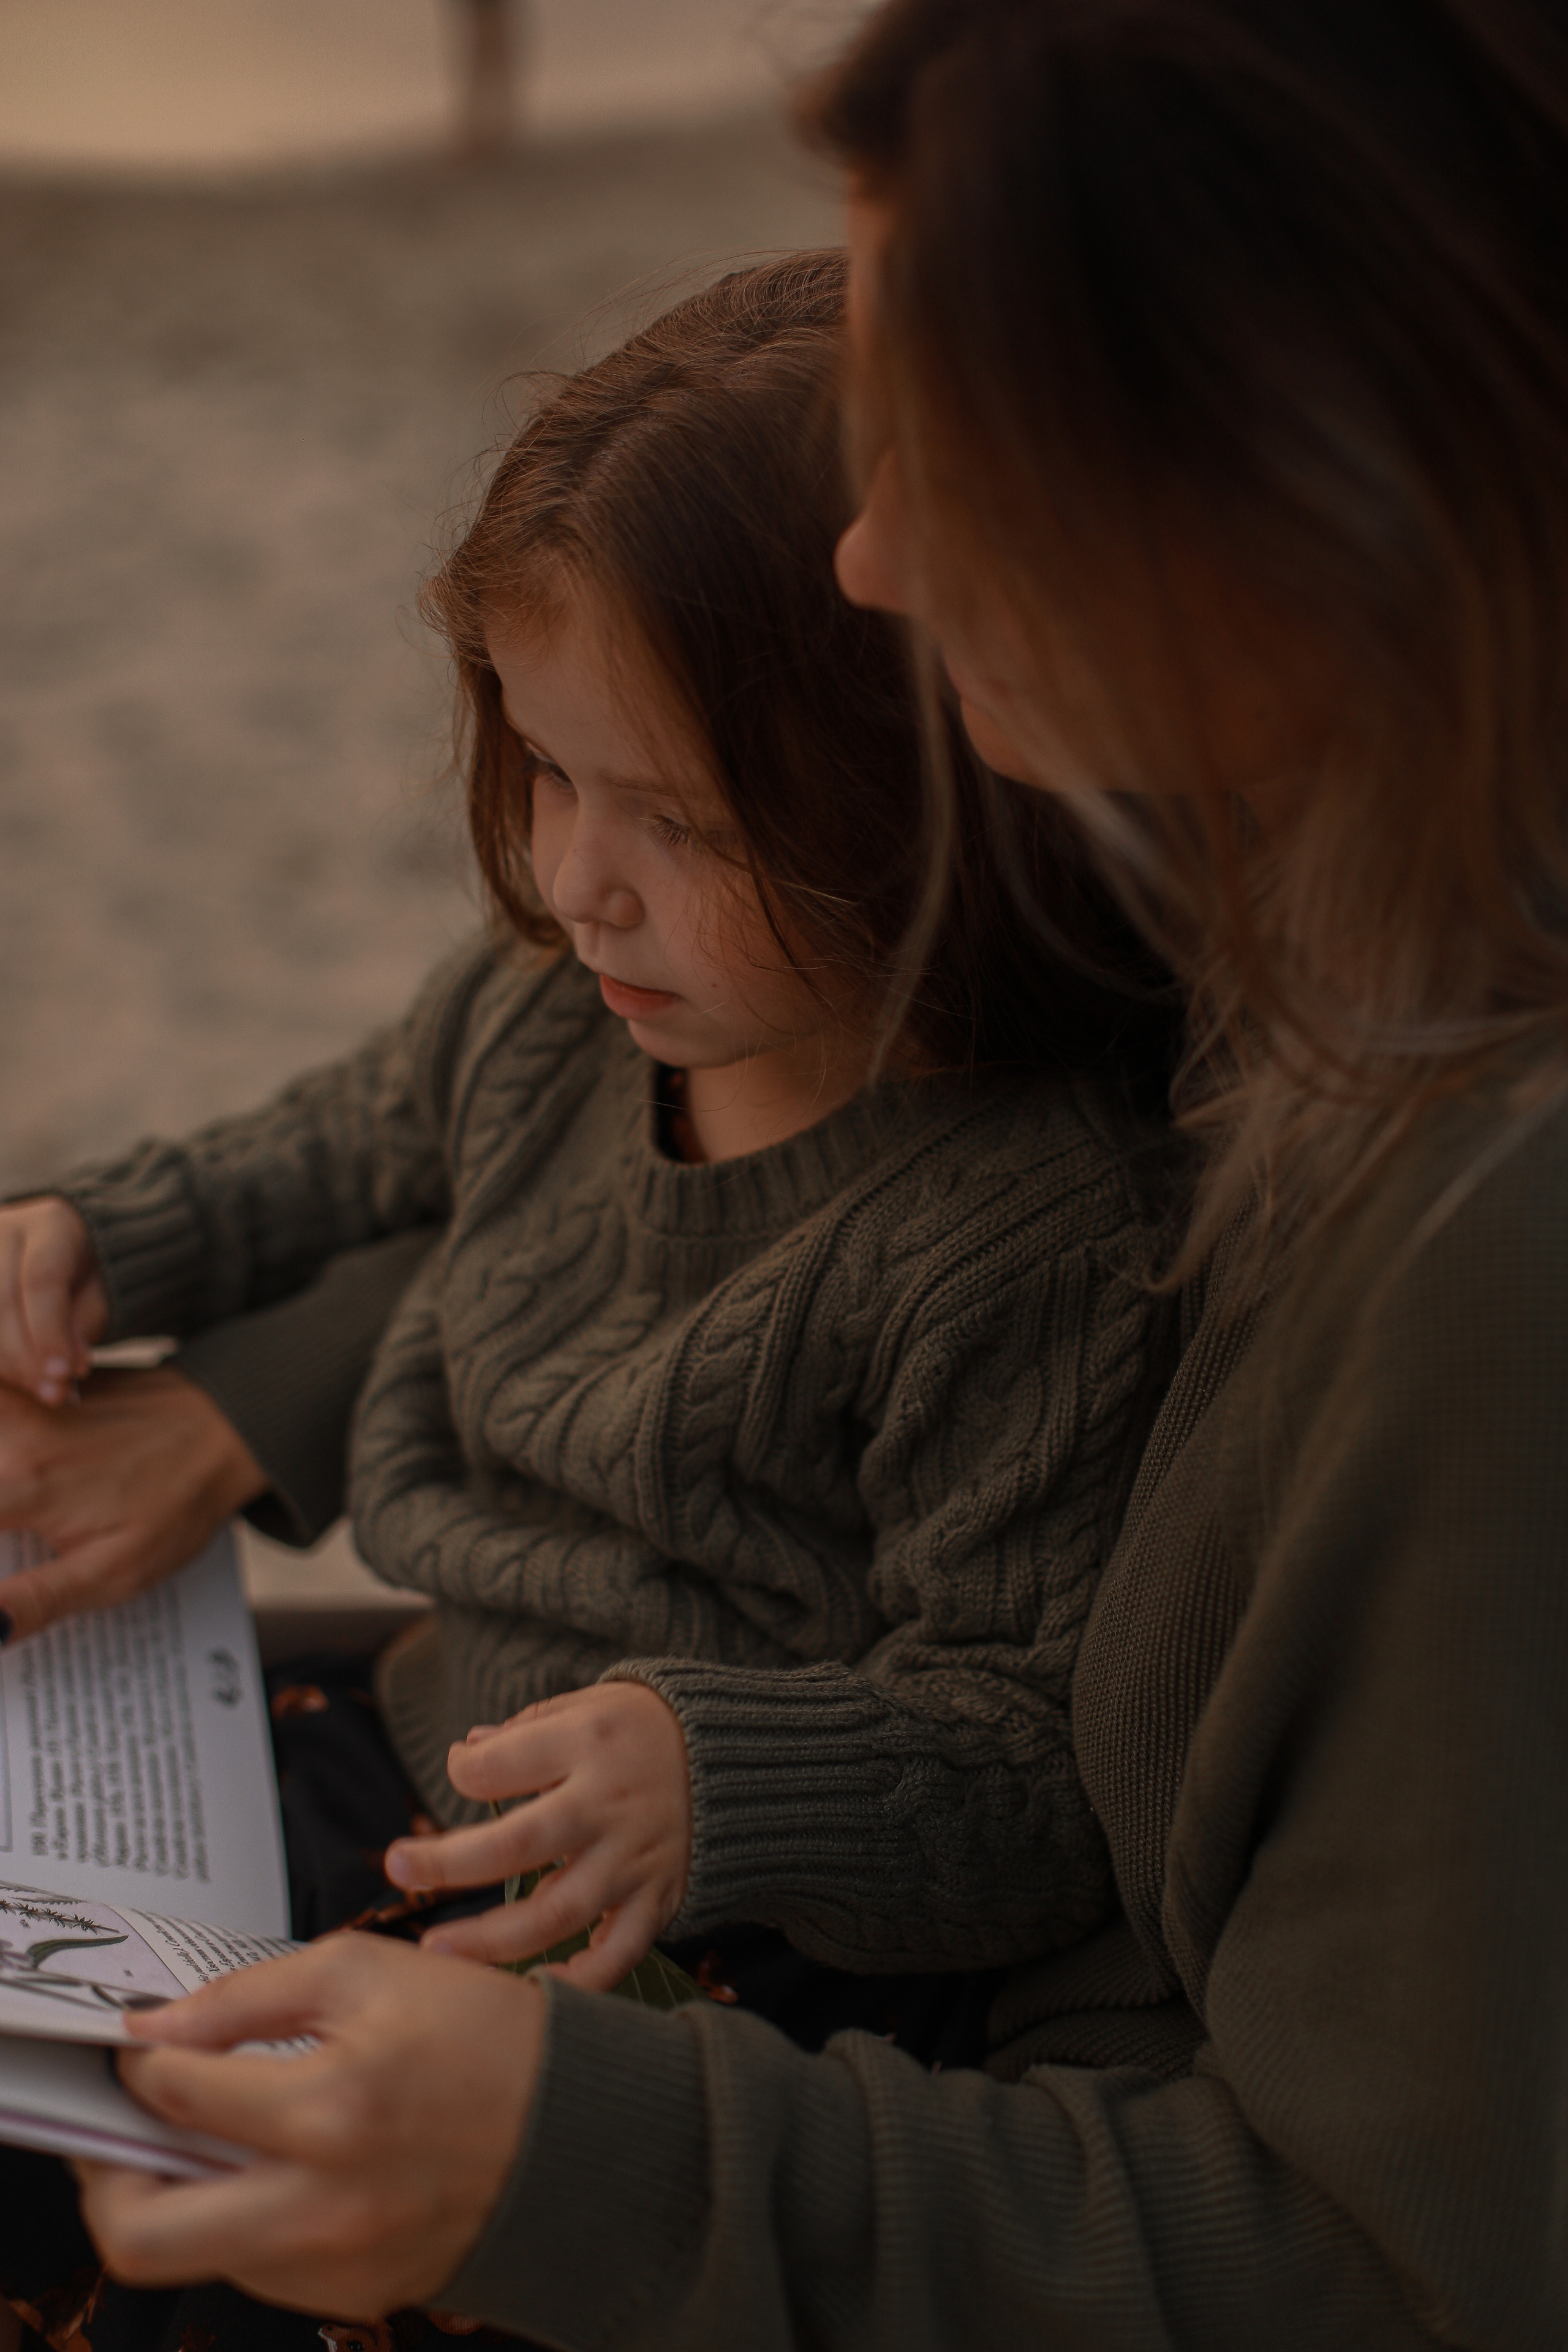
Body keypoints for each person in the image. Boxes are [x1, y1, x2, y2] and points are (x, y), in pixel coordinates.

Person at [40, 1, 1568, 2346]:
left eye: (964, 427)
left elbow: (1392, 2262)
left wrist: (576, 2155)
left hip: (801, 2031)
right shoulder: (1256, 871)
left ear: (1307, 455)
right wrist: (244, 1378)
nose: (870, 552)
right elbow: (608, 1153)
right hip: (533, 1786)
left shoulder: (1466, 1251)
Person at [0, 250, 1178, 2048]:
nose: (574, 884)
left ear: (946, 805)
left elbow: (1028, 1769)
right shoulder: (566, 1003)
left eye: (682, 822)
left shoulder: (1022, 1233)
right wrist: (106, 1228)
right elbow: (339, 1147)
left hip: (689, 1950)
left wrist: (720, 1777)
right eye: (547, 772)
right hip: (408, 1757)